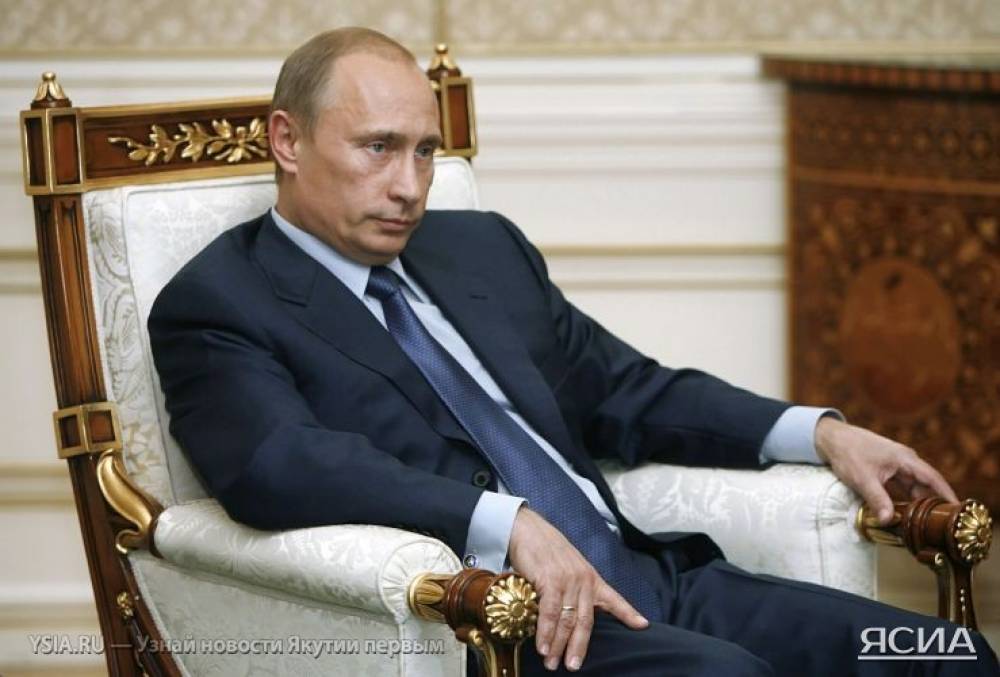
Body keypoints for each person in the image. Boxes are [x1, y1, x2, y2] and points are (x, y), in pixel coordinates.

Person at [148, 27, 998, 677]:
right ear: (288, 141)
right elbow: (281, 464)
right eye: (377, 148)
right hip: (513, 624)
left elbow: (629, 390)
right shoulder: (221, 301)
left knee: (946, 654)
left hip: (651, 577)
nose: (409, 186)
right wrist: (501, 519)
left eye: (425, 151)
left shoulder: (477, 248)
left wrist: (820, 433)